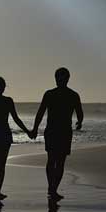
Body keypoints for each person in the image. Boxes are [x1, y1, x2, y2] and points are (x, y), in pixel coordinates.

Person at [30, 67, 83, 201]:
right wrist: (79, 122)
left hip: (53, 131)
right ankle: (53, 188)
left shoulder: (50, 94)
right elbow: (80, 113)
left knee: (52, 160)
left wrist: (35, 128)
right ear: (68, 79)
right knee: (59, 162)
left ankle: (52, 188)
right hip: (63, 132)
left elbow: (40, 112)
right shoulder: (73, 95)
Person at [0, 77, 31, 200]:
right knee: (1, 164)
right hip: (4, 134)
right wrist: (27, 131)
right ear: (3, 87)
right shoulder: (8, 101)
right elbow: (16, 118)